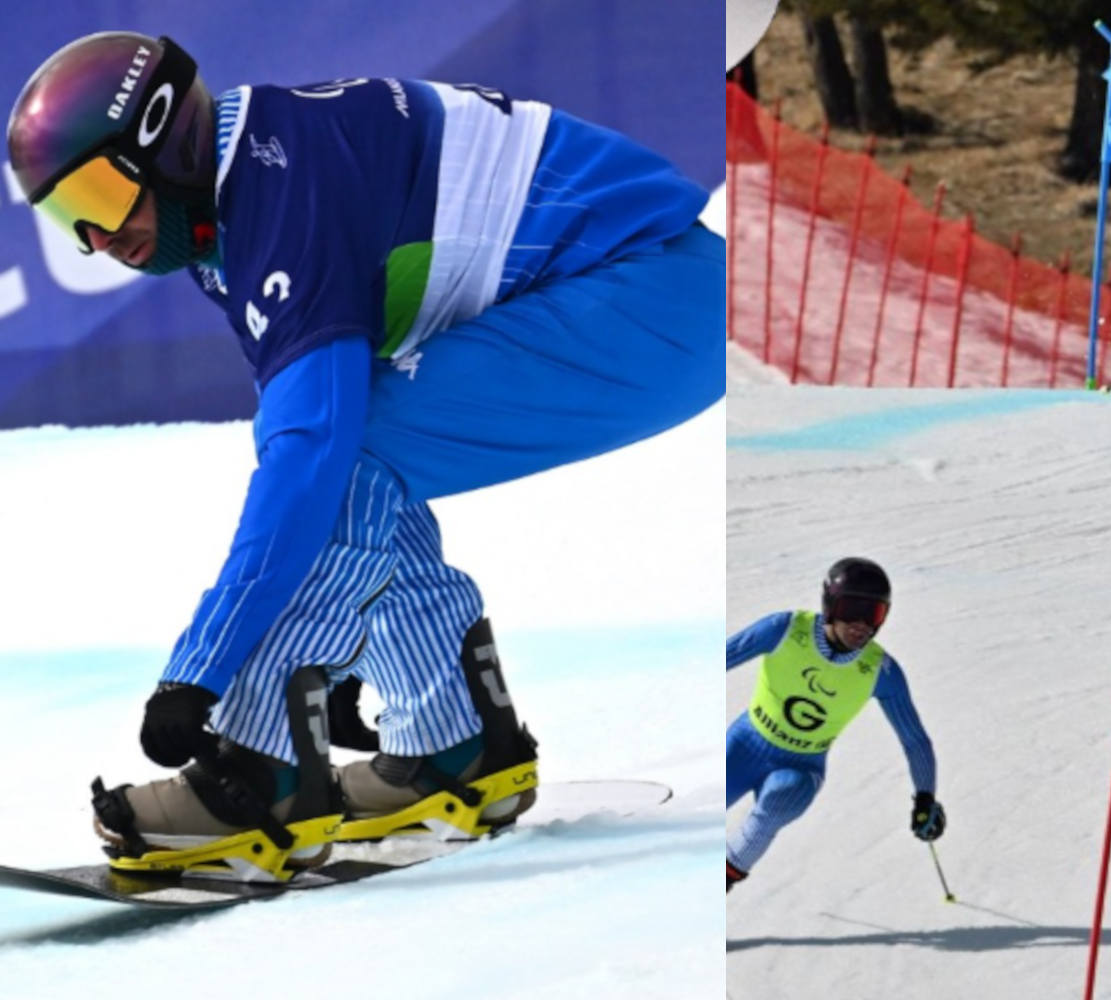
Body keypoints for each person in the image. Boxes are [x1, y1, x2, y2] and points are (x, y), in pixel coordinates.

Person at [7, 32, 723, 880]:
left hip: (653, 293)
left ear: (169, 143)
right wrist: (336, 637)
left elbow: (312, 461)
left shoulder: (278, 196)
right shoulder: (245, 186)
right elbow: (313, 442)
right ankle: (452, 743)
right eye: (66, 215)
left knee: (349, 451)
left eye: (100, 193)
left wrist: (203, 672)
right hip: (662, 290)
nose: (95, 237)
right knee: (357, 443)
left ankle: (258, 775)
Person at [725, 558, 942, 892]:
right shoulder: (784, 630)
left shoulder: (880, 671)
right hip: (744, 746)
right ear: (829, 606)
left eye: (874, 614)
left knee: (783, 798)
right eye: (852, 609)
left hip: (800, 768)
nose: (862, 625)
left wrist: (925, 797)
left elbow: (914, 741)